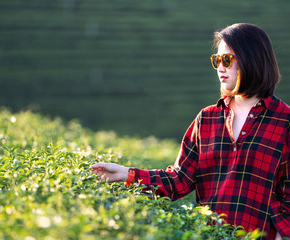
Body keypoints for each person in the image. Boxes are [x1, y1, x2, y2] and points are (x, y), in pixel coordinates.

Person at [91, 23, 290, 240]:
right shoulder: (207, 118)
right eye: (217, 60)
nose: (220, 68)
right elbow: (179, 180)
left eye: (227, 60)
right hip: (208, 235)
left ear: (252, 59)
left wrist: (279, 235)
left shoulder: (284, 120)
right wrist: (125, 174)